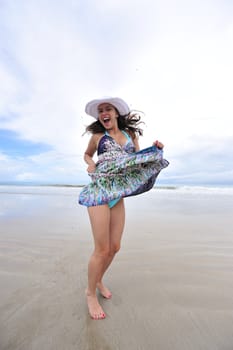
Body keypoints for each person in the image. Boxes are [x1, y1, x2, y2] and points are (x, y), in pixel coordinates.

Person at [79, 97, 169, 320]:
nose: (103, 113)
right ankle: (90, 293)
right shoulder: (98, 137)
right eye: (100, 111)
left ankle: (98, 278)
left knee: (115, 247)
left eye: (107, 109)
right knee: (101, 249)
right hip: (100, 191)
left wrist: (154, 150)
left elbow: (137, 159)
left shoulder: (131, 136)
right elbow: (87, 154)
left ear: (116, 112)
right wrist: (90, 164)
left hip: (117, 194)